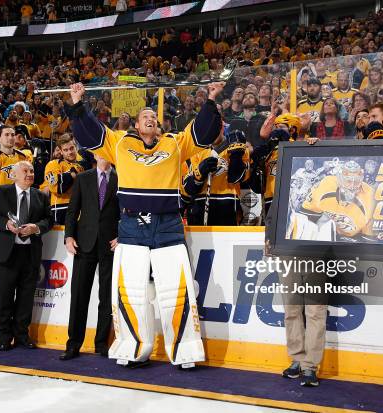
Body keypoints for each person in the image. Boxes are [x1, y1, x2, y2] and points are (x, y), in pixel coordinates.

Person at [65, 80, 224, 368]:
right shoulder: (121, 143)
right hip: (131, 225)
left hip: (167, 224)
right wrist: (77, 105)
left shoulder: (174, 143)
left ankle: (184, 350)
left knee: (177, 291)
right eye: (145, 117)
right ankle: (134, 346)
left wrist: (211, 99)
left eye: (154, 117)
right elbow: (92, 135)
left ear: (159, 126)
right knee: (131, 291)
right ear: (137, 125)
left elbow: (202, 133)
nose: (151, 119)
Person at [0, 161, 53, 351]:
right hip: (7, 254)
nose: (30, 174)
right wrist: (6, 224)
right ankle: (4, 337)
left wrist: (36, 227)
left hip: (30, 254)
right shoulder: (0, 191)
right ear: (13, 175)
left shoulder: (41, 196)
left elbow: (49, 220)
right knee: (5, 297)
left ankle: (22, 336)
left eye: (31, 171)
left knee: (26, 298)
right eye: (25, 171)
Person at [61, 154, 119, 360]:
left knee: (107, 297)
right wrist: (68, 236)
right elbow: (72, 210)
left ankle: (102, 342)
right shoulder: (83, 178)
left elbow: (127, 212)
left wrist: (121, 236)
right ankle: (73, 343)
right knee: (79, 295)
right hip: (84, 243)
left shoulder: (121, 178)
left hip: (110, 245)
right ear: (95, 154)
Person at [183, 129, 250, 225]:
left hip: (228, 206)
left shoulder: (239, 146)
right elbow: (189, 189)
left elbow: (236, 178)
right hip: (199, 207)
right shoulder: (195, 151)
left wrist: (237, 155)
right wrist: (200, 172)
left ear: (221, 126)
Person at [43, 134, 86, 224]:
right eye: (65, 150)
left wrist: (72, 174)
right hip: (61, 209)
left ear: (76, 147)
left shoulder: (81, 167)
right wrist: (72, 173)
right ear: (61, 152)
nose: (69, 152)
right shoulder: (53, 164)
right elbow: (58, 187)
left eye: (71, 148)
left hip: (80, 208)